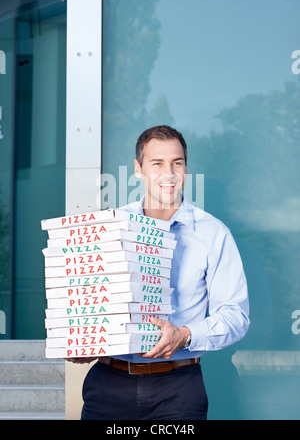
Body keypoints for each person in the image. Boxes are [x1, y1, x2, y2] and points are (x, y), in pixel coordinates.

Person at [78, 125, 250, 420]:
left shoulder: (214, 234)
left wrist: (184, 335)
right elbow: (90, 300)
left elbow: (236, 315)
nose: (168, 173)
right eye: (157, 163)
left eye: (177, 163)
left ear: (186, 168)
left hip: (178, 389)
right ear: (138, 168)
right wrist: (83, 338)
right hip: (107, 384)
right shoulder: (111, 227)